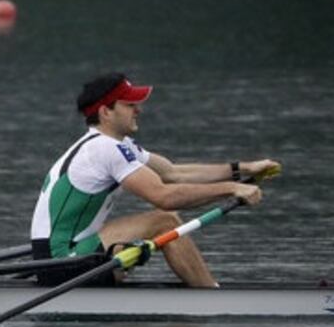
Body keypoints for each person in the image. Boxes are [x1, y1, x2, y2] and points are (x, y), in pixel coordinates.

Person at [30, 73, 281, 288]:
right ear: (106, 112)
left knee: (162, 220)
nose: (138, 109)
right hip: (61, 259)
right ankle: (212, 298)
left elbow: (173, 173)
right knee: (164, 221)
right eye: (129, 105)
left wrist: (242, 169)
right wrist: (231, 189)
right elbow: (164, 197)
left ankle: (205, 294)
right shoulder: (104, 149)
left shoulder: (117, 145)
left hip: (61, 253)